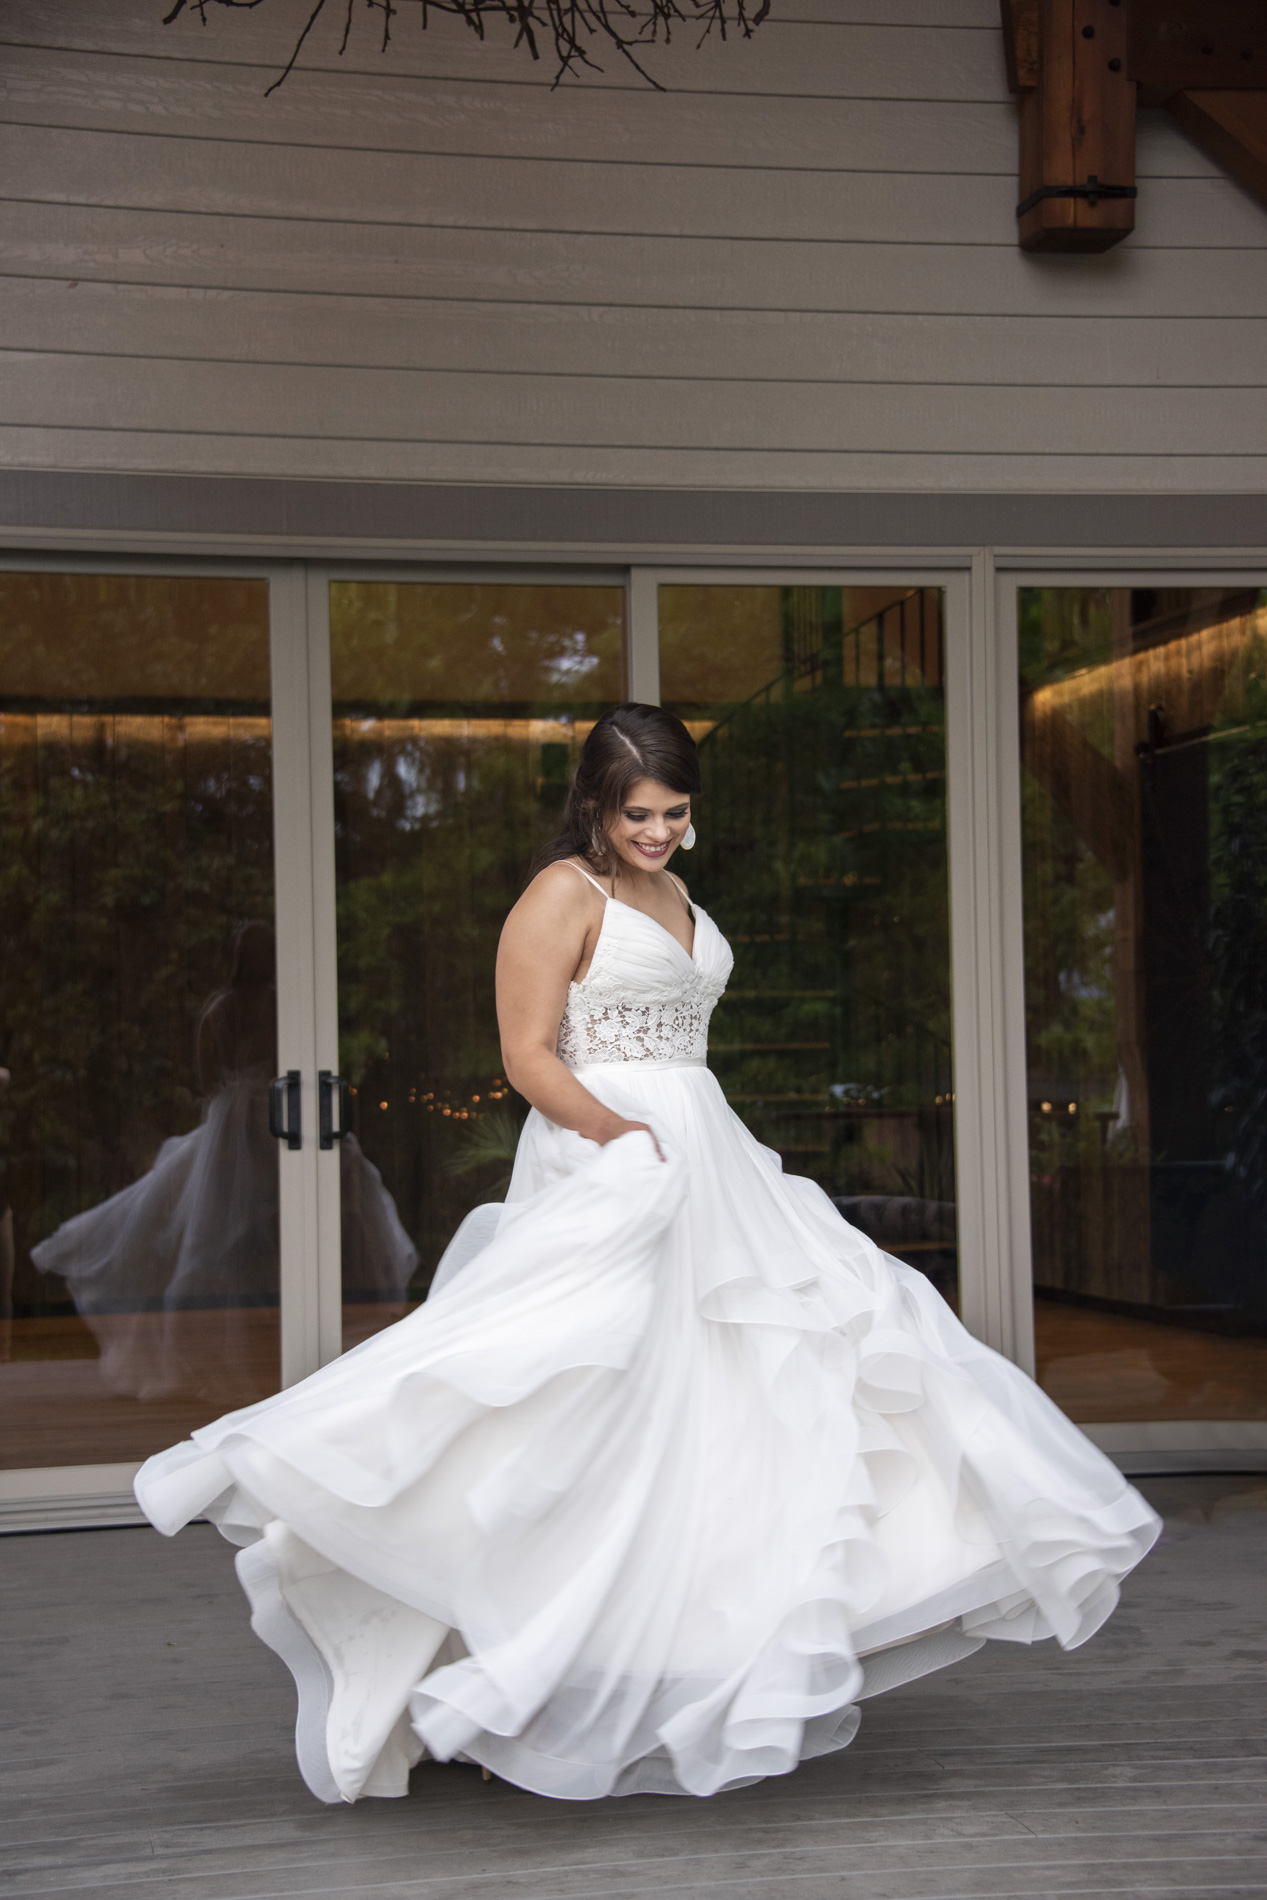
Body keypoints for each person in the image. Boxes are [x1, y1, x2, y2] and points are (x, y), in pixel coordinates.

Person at [135, 704, 1159, 1806]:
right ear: (593, 806)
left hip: (704, 1161)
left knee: (735, 1403)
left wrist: (674, 1141)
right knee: (574, 1402)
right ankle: (469, 1626)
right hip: (606, 1156)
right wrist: (620, 1137)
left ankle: (683, 1657)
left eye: (675, 812)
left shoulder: (674, 892)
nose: (660, 832)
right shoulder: (558, 896)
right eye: (639, 814)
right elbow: (527, 1057)